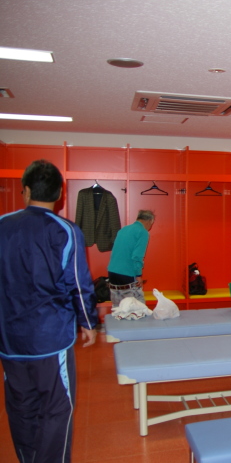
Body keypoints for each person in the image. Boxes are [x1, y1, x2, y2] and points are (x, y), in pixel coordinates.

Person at [0, 159, 98, 462]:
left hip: (9, 340)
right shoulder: (65, 230)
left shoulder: (2, 224)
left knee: (21, 406)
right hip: (50, 339)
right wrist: (88, 323)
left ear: (26, 190)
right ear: (60, 194)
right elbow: (79, 284)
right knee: (56, 408)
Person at [107, 209, 155, 308]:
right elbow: (137, 256)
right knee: (137, 309)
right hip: (127, 273)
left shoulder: (123, 229)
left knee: (118, 308)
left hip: (112, 273)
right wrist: (138, 275)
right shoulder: (143, 232)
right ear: (149, 221)